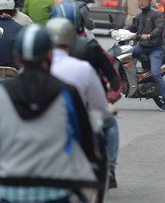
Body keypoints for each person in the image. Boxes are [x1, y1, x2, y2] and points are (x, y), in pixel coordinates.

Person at [0, 25, 98, 203]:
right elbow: (86, 144)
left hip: (7, 194)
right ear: (49, 55)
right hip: (58, 196)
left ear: (17, 59)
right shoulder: (67, 93)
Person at [47, 18, 119, 189]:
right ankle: (110, 169)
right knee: (110, 123)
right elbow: (101, 106)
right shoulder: (85, 60)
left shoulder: (36, 67)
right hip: (81, 115)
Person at [127, 0, 165, 111]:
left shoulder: (156, 14)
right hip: (141, 47)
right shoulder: (139, 16)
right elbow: (130, 28)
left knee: (156, 74)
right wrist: (116, 31)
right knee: (124, 54)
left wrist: (150, 35)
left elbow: (159, 28)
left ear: (149, 1)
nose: (141, 2)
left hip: (155, 49)